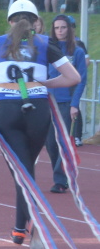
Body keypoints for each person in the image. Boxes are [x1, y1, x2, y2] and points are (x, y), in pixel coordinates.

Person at [0, 0, 79, 245]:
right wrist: (43, 84)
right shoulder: (45, 43)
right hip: (37, 109)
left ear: (10, 22)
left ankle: (29, 222)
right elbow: (73, 77)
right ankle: (20, 227)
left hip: (6, 109)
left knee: (22, 170)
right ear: (36, 22)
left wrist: (2, 84)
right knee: (27, 167)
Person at [43, 14, 87, 194]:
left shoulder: (77, 51)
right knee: (50, 143)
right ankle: (62, 174)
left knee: (63, 142)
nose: (60, 31)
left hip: (66, 103)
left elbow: (81, 80)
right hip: (47, 101)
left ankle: (61, 180)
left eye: (63, 27)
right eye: (56, 28)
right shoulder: (48, 49)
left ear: (69, 29)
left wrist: (74, 104)